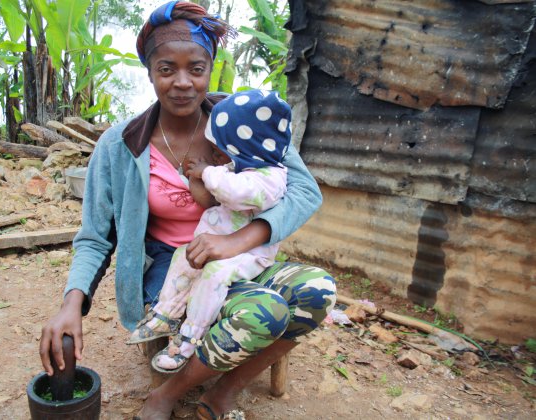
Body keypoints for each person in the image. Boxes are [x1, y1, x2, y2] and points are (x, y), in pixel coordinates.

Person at [39, 2, 337, 419]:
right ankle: (166, 394)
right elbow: (95, 235)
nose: (182, 83)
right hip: (171, 268)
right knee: (266, 312)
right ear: (149, 71)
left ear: (210, 68)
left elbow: (305, 191)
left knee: (317, 291)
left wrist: (235, 241)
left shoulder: (244, 122)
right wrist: (72, 303)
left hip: (243, 253)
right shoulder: (120, 144)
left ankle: (223, 391)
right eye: (166, 69)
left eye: (195, 69)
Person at [127, 89, 293, 373]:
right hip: (215, 246)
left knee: (214, 274)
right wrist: (201, 175)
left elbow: (235, 191)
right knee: (183, 255)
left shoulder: (269, 178)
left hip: (249, 254)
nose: (219, 154)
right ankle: (166, 312)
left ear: (246, 146)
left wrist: (206, 172)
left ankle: (188, 338)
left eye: (225, 147)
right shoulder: (241, 166)